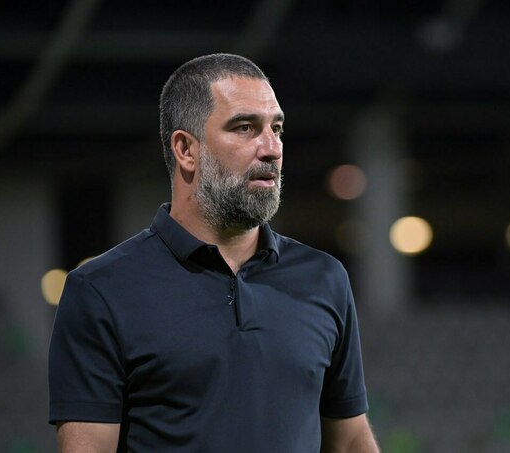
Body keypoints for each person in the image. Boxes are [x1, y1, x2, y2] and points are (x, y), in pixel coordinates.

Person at [48, 53, 380, 452]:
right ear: (186, 149)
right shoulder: (101, 290)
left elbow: (349, 441)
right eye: (245, 128)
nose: (271, 148)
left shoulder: (324, 278)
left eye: (276, 128)